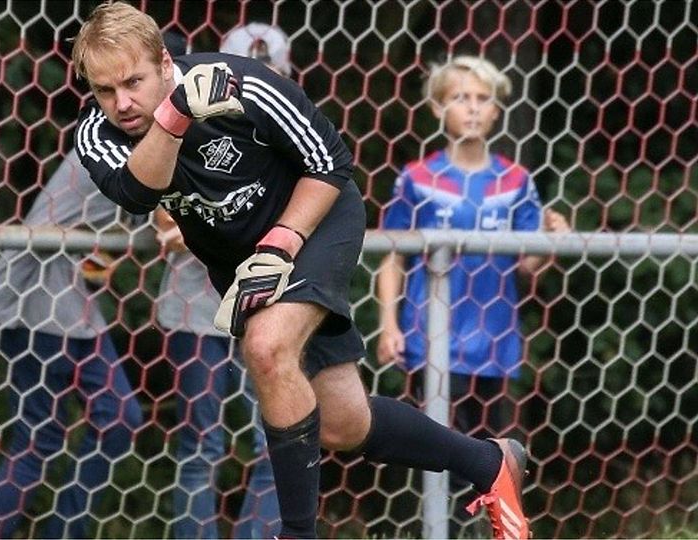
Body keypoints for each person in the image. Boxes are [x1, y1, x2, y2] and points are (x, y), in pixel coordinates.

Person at [71, 3, 529, 538]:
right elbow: (137, 191)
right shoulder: (97, 134)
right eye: (105, 91)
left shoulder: (243, 84)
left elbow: (332, 162)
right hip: (241, 260)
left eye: (134, 82)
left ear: (166, 63)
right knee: (342, 424)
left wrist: (283, 243)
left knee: (267, 347)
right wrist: (173, 117)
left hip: (315, 221)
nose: (121, 103)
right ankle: (487, 464)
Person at [376, 55, 570, 535]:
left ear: (498, 110)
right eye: (461, 98)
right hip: (429, 338)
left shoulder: (515, 182)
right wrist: (389, 325)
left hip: (492, 342)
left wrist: (555, 241)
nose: (473, 108)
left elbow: (528, 263)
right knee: (430, 455)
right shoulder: (418, 178)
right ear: (439, 108)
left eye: (483, 99)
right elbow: (392, 255)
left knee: (492, 461)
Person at [153, 22, 294, 539]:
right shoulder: (185, 126)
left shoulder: (290, 133)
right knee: (201, 444)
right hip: (197, 310)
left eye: (273, 72)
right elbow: (163, 213)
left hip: (269, 308)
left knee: (276, 439)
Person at [0, 150, 143, 539]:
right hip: (36, 304)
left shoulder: (145, 138)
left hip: (73, 304)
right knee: (38, 440)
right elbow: (164, 211)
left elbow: (98, 239)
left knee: (120, 417)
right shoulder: (120, 138)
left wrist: (100, 264)